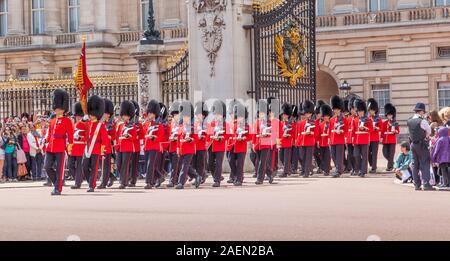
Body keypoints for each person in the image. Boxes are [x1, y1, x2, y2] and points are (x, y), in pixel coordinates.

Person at [44, 89, 74, 196]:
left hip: (60, 145)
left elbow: (70, 134)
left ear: (63, 109)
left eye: (59, 108)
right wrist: (46, 140)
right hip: (50, 146)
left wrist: (70, 145)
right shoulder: (52, 121)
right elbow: (50, 133)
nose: (57, 109)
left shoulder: (67, 121)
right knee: (47, 166)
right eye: (56, 107)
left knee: (59, 169)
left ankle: (58, 188)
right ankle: (57, 182)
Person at [82, 95, 109, 193]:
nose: (92, 115)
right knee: (84, 166)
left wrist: (103, 149)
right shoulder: (87, 123)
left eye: (93, 113)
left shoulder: (100, 125)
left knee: (94, 167)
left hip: (96, 148)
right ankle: (90, 181)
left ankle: (91, 185)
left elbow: (105, 139)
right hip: (87, 148)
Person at [407, 102, 434, 191]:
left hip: (413, 144)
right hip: (421, 143)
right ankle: (426, 184)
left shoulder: (409, 120)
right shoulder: (422, 121)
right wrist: (425, 136)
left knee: (415, 164)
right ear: (421, 111)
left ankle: (416, 184)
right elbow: (429, 131)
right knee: (425, 162)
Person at [176, 102, 200, 189]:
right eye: (184, 116)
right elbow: (179, 137)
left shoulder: (194, 126)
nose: (185, 118)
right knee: (182, 165)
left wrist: (190, 140)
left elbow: (196, 139)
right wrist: (178, 147)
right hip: (182, 149)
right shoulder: (182, 126)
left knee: (184, 166)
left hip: (189, 149)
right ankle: (196, 176)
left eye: (186, 116)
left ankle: (180, 183)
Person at [207, 100, 229, 187]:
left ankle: (217, 181)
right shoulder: (212, 123)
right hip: (211, 146)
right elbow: (208, 135)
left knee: (218, 163)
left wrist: (220, 139)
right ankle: (217, 177)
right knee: (210, 164)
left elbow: (227, 136)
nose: (217, 116)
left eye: (218, 114)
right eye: (216, 114)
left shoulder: (225, 124)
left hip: (220, 146)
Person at [143, 100, 164, 189]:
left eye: (151, 114)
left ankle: (149, 182)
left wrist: (154, 138)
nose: (149, 115)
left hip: (154, 147)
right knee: (150, 164)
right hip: (147, 147)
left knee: (150, 164)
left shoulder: (159, 125)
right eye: (149, 113)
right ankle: (160, 176)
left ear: (155, 114)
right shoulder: (148, 124)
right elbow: (144, 134)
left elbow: (160, 136)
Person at [116, 101, 137, 190]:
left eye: (126, 115)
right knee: (119, 164)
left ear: (129, 116)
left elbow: (134, 137)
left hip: (127, 148)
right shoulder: (120, 125)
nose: (124, 117)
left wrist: (128, 136)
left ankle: (123, 182)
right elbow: (117, 136)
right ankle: (125, 179)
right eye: (123, 115)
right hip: (120, 147)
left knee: (125, 165)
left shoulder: (132, 126)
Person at [228, 101, 250, 186]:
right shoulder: (232, 124)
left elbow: (249, 136)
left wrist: (244, 138)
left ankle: (239, 179)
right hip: (232, 146)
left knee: (240, 164)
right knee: (231, 161)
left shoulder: (246, 125)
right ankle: (236, 176)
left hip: (241, 146)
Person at [98, 98, 116, 189]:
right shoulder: (99, 123)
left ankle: (103, 183)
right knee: (102, 166)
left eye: (109, 113)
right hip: (99, 147)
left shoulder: (111, 124)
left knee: (105, 166)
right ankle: (111, 176)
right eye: (106, 113)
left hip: (107, 147)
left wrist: (108, 137)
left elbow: (113, 136)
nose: (108, 115)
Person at [296, 100, 318, 178]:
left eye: (309, 113)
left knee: (308, 158)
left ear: (311, 114)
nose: (307, 114)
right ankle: (306, 169)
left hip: (310, 142)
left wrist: (311, 133)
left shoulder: (314, 122)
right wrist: (297, 142)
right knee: (302, 157)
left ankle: (306, 172)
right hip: (302, 142)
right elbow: (298, 134)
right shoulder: (300, 123)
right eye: (306, 113)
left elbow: (316, 133)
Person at [352, 99, 373, 178]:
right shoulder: (355, 119)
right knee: (356, 155)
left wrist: (365, 128)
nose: (360, 113)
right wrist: (353, 140)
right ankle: (360, 168)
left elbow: (370, 129)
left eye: (361, 111)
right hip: (357, 140)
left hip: (364, 140)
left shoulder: (368, 119)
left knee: (364, 156)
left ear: (364, 111)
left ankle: (363, 171)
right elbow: (353, 131)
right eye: (358, 111)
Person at [69, 102, 87, 189]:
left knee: (79, 166)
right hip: (73, 148)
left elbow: (88, 137)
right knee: (70, 165)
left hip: (81, 148)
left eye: (80, 116)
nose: (78, 118)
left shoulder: (85, 125)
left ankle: (77, 182)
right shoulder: (74, 125)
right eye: (77, 116)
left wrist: (81, 138)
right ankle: (79, 178)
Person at [329, 96, 348, 178]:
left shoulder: (344, 120)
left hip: (340, 140)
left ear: (340, 109)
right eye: (334, 109)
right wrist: (329, 139)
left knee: (339, 156)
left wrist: (342, 132)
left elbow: (346, 130)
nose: (335, 111)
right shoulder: (332, 119)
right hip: (333, 140)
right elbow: (330, 130)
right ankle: (339, 167)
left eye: (336, 109)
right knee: (333, 156)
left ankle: (338, 170)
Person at [129, 101, 144, 187]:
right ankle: (127, 178)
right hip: (128, 146)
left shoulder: (139, 125)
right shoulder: (127, 124)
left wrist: (135, 137)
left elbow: (141, 135)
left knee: (134, 164)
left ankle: (133, 180)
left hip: (136, 146)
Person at [193, 101, 209, 184]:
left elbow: (208, 135)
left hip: (202, 146)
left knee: (200, 164)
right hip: (195, 146)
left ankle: (200, 177)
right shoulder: (195, 124)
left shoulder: (206, 124)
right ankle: (198, 177)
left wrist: (203, 137)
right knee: (195, 164)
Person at [381, 103, 400, 172]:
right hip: (385, 141)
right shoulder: (384, 123)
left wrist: (394, 131)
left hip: (392, 140)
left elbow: (398, 131)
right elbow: (382, 131)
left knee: (391, 154)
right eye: (388, 115)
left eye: (390, 115)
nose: (389, 116)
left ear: (392, 115)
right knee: (385, 153)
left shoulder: (395, 123)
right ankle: (393, 163)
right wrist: (381, 137)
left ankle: (389, 167)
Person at [167, 101, 182, 188]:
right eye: (174, 115)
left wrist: (176, 138)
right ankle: (177, 179)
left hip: (177, 146)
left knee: (174, 165)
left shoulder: (181, 124)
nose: (174, 116)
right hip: (171, 146)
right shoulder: (172, 124)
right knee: (176, 165)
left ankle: (172, 181)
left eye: (176, 114)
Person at [279, 103, 295, 178]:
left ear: (288, 115)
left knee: (286, 158)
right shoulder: (280, 123)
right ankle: (288, 169)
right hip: (281, 142)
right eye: (283, 115)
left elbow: (293, 133)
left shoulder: (291, 123)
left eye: (285, 115)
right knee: (281, 157)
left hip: (288, 142)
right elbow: (278, 133)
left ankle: (285, 172)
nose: (284, 116)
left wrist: (290, 136)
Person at [367, 98, 382, 174]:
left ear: (375, 110)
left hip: (375, 138)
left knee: (374, 153)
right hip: (368, 138)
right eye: (370, 110)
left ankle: (374, 168)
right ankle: (372, 164)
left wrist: (376, 128)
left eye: (372, 110)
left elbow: (381, 128)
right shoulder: (367, 118)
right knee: (368, 153)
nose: (371, 111)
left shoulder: (378, 118)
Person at [318, 104, 332, 176]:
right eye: (325, 116)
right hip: (321, 143)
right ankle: (325, 168)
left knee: (327, 157)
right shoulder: (320, 124)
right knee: (322, 157)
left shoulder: (331, 124)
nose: (326, 117)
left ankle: (327, 170)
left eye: (327, 116)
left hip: (327, 143)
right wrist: (318, 141)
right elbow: (319, 133)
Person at [345, 97, 357, 175]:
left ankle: (356, 168)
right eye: (351, 109)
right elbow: (346, 129)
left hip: (355, 139)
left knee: (355, 154)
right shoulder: (348, 119)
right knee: (350, 155)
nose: (352, 110)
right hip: (349, 139)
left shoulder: (358, 118)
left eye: (354, 109)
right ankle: (353, 168)